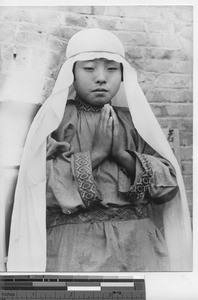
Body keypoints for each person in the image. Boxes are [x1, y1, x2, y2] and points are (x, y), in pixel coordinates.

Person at [7, 28, 192, 272]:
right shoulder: (56, 122)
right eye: (89, 68)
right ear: (72, 72)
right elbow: (38, 185)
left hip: (137, 246)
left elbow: (168, 185)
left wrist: (122, 156)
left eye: (111, 69)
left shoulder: (136, 123)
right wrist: (97, 154)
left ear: (123, 74)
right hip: (75, 249)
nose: (101, 78)